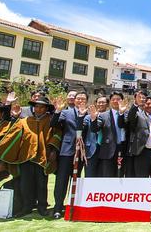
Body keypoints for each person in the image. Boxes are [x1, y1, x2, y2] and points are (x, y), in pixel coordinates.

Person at [0, 96, 61, 218]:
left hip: (42, 157)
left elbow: (57, 134)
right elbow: (11, 129)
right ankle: (27, 207)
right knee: (26, 184)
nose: (38, 109)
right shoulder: (24, 121)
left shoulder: (51, 120)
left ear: (46, 109)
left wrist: (53, 150)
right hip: (26, 156)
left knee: (41, 184)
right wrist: (14, 116)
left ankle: (42, 207)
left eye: (41, 107)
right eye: (36, 106)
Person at [50, 91, 91, 219]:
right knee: (61, 180)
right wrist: (57, 111)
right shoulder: (66, 112)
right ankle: (58, 207)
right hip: (67, 151)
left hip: (83, 152)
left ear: (86, 101)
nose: (80, 101)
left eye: (83, 99)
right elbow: (54, 124)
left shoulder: (90, 114)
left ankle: (73, 206)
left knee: (76, 180)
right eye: (78, 98)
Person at [124, 95, 151, 177]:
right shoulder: (139, 115)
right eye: (148, 104)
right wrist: (136, 104)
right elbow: (131, 118)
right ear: (144, 105)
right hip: (142, 152)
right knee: (142, 178)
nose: (150, 105)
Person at [90, 92, 128, 177]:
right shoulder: (103, 116)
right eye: (113, 99)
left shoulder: (127, 114)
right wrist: (93, 120)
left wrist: (121, 113)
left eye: (118, 99)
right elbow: (95, 129)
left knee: (120, 178)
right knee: (108, 177)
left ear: (122, 101)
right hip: (108, 151)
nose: (115, 101)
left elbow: (123, 124)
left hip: (123, 149)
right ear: (110, 102)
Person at [82, 95, 109, 177]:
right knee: (89, 176)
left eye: (103, 102)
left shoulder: (110, 117)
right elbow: (82, 131)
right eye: (99, 102)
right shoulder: (87, 117)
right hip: (91, 150)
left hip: (106, 151)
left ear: (107, 104)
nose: (101, 104)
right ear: (96, 104)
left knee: (103, 176)